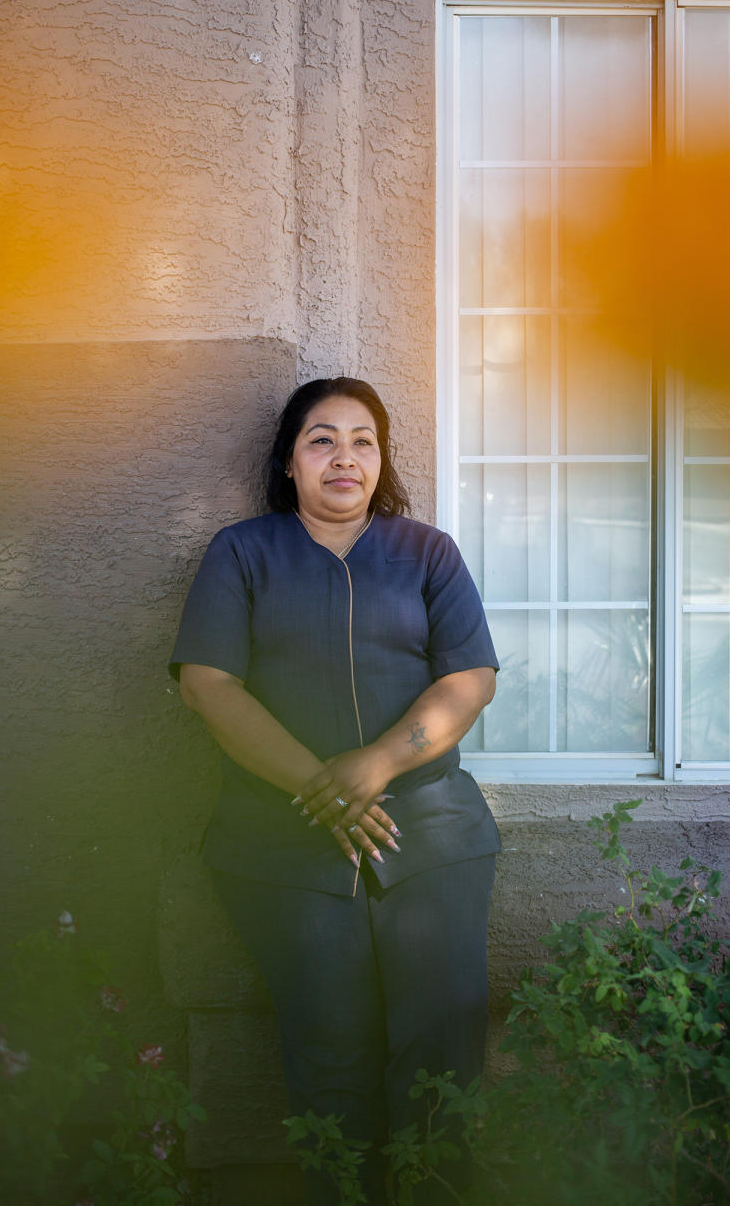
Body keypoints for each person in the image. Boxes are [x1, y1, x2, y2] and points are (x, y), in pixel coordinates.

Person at [170, 377, 500, 1205]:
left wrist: (378, 765)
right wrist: (322, 786)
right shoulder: (240, 553)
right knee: (328, 1054)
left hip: (431, 837)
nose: (343, 457)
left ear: (381, 460)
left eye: (363, 440)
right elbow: (208, 685)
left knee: (442, 1050)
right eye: (321, 439)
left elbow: (470, 679)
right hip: (280, 844)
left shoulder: (428, 553)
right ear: (289, 462)